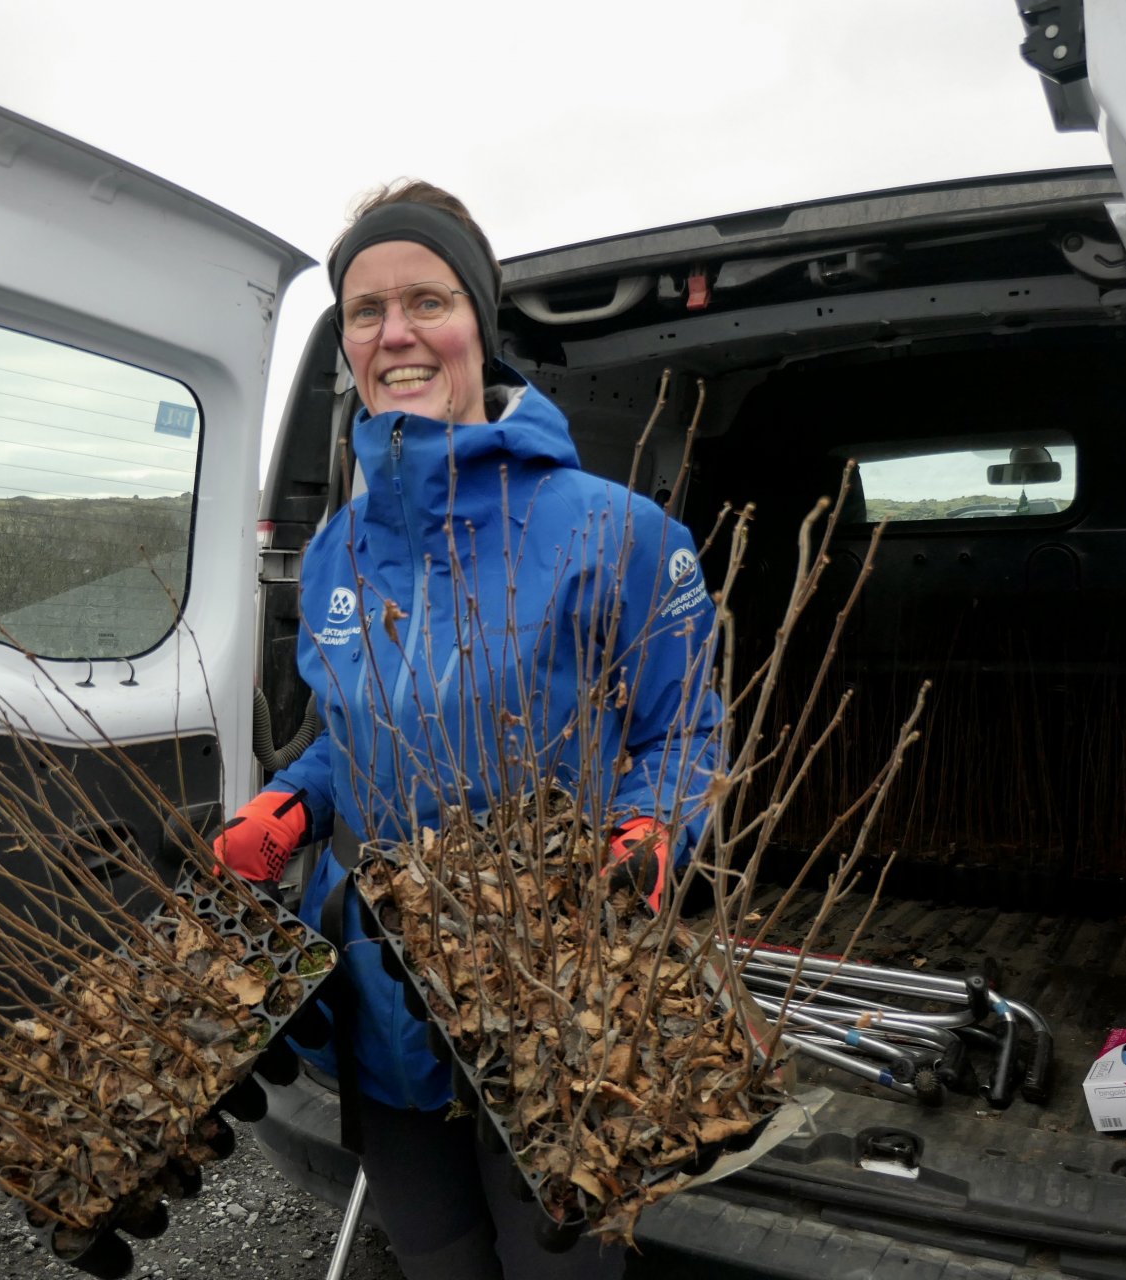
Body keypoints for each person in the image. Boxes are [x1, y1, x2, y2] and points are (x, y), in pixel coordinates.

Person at [213, 180, 721, 1280]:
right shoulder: (343, 547)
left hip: (553, 998)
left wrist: (653, 830)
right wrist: (290, 801)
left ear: (478, 326)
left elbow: (683, 733)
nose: (394, 332)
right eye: (364, 309)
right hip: (380, 1002)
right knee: (435, 1257)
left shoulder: (618, 531)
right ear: (347, 340)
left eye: (427, 299)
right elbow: (345, 733)